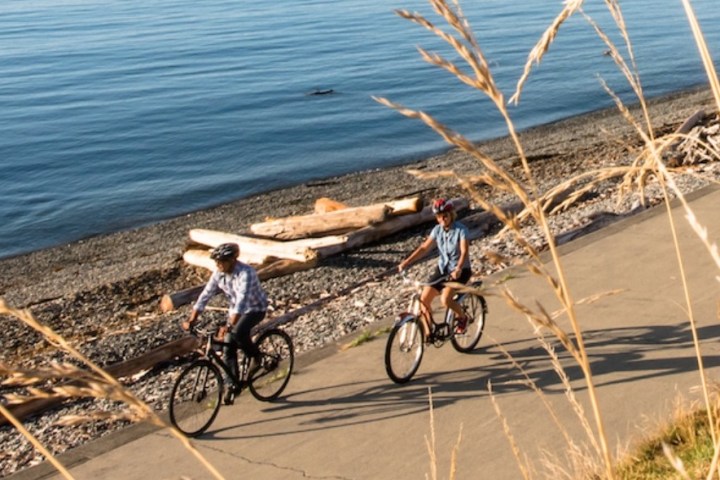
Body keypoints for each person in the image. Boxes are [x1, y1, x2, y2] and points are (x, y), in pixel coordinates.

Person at [182, 242, 269, 404]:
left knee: (236, 333)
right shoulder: (219, 273)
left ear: (233, 260)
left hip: (254, 309)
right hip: (235, 312)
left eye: (222, 261)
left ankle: (256, 357)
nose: (218, 265)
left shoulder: (246, 273)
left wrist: (229, 326)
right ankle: (232, 384)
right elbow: (205, 294)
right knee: (228, 348)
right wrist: (192, 318)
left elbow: (241, 302)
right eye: (217, 262)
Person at [398, 198, 472, 339]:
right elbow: (424, 248)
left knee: (446, 300)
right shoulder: (437, 230)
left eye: (445, 215)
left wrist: (459, 268)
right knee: (423, 300)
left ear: (451, 214)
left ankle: (462, 317)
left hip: (460, 271)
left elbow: (464, 252)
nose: (442, 219)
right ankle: (429, 333)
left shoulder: (461, 230)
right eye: (439, 216)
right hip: (443, 270)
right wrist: (406, 262)